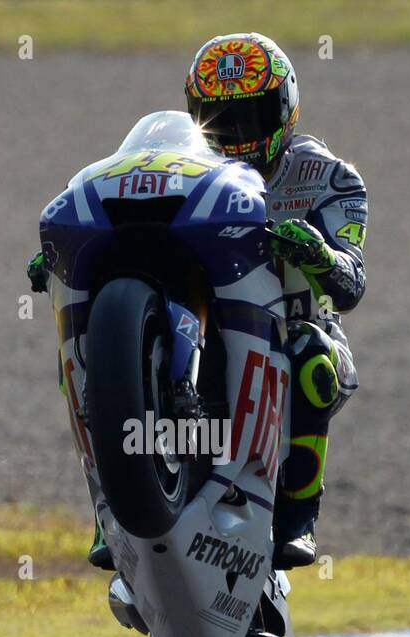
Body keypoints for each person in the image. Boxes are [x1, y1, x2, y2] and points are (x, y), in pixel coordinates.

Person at [30, 32, 366, 569]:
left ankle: (298, 517)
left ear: (285, 112)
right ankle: (107, 506)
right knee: (84, 354)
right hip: (207, 305)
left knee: (313, 359)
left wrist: (318, 252)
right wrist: (65, 255)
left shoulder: (328, 177)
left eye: (251, 119)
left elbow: (351, 285)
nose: (235, 136)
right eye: (218, 119)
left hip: (294, 321)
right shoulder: (190, 167)